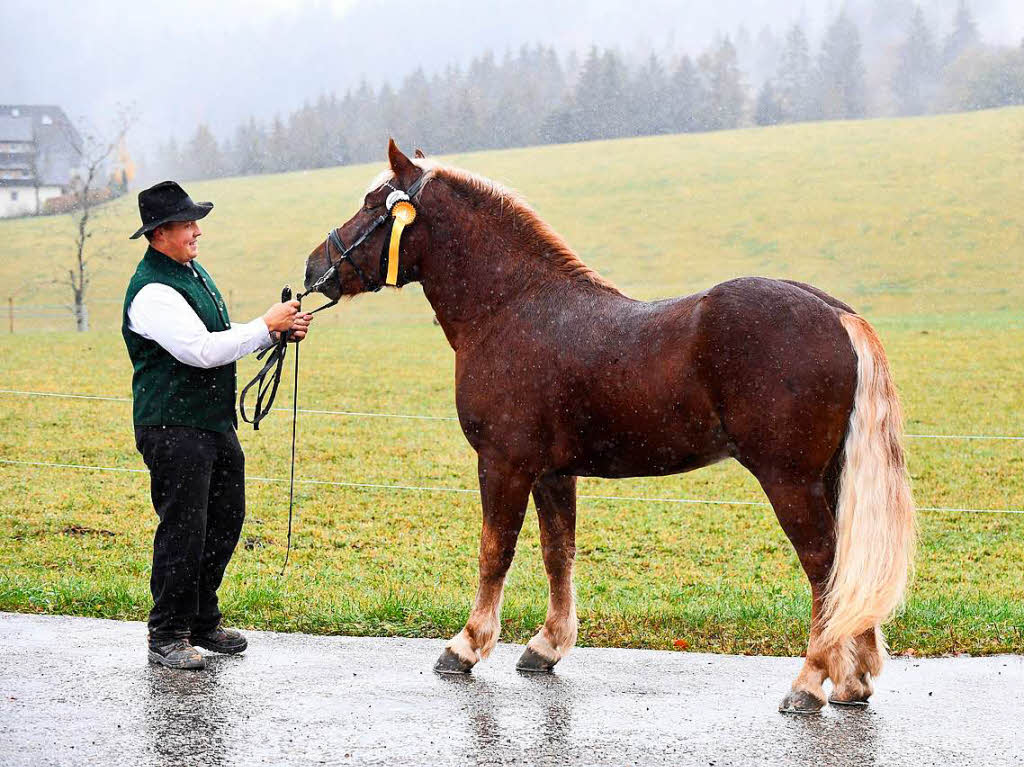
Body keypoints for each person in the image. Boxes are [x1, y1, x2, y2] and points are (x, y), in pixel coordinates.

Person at [122, 180, 312, 669]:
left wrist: (273, 334)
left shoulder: (190, 272)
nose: (197, 231)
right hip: (172, 426)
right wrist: (265, 326)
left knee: (225, 520)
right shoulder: (153, 291)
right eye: (188, 224)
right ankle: (167, 633)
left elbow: (219, 338)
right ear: (161, 232)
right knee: (184, 529)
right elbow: (201, 351)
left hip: (209, 423)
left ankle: (202, 620)